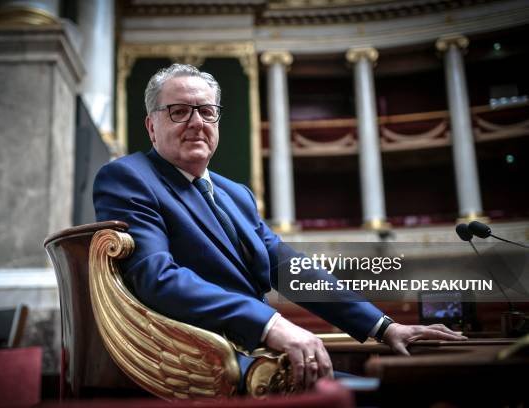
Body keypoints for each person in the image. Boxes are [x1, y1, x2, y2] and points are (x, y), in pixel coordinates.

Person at [93, 63, 466, 391]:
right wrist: (270, 324)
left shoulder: (235, 194)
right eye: (178, 111)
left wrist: (384, 327)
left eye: (206, 112)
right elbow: (157, 277)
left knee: (416, 389)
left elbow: (290, 269)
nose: (196, 123)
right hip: (200, 360)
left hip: (261, 356)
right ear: (151, 126)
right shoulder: (129, 177)